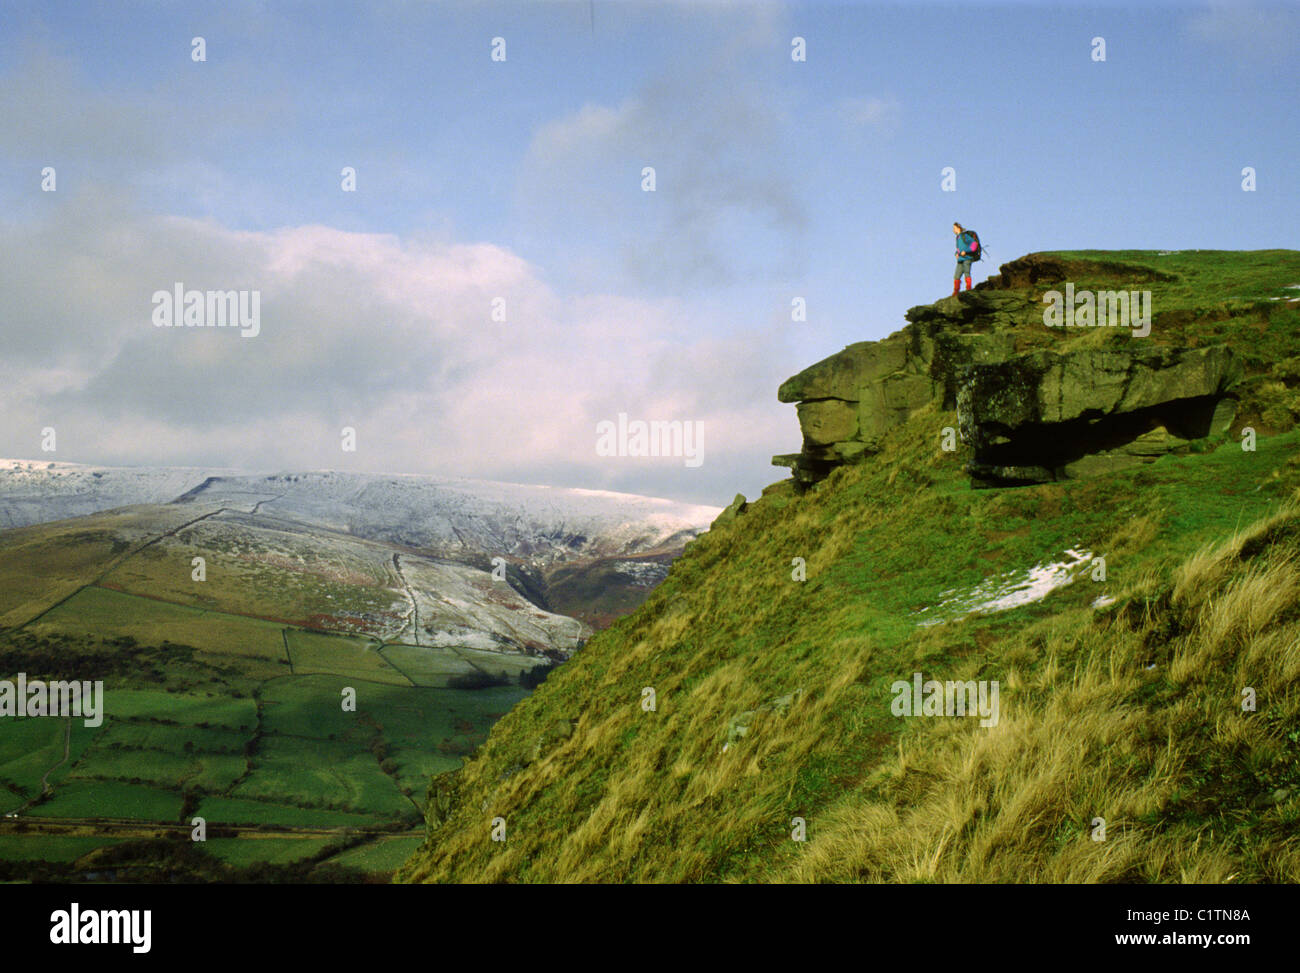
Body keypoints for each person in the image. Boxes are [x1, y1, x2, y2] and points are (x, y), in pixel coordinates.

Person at [952, 222, 978, 294]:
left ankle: (968, 288)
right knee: (957, 275)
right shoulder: (958, 238)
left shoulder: (965, 236)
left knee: (967, 272)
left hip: (967, 258)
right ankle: (956, 291)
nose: (953, 230)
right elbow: (959, 249)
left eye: (954, 228)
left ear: (958, 228)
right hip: (960, 259)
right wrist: (956, 253)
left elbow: (974, 245)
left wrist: (966, 251)